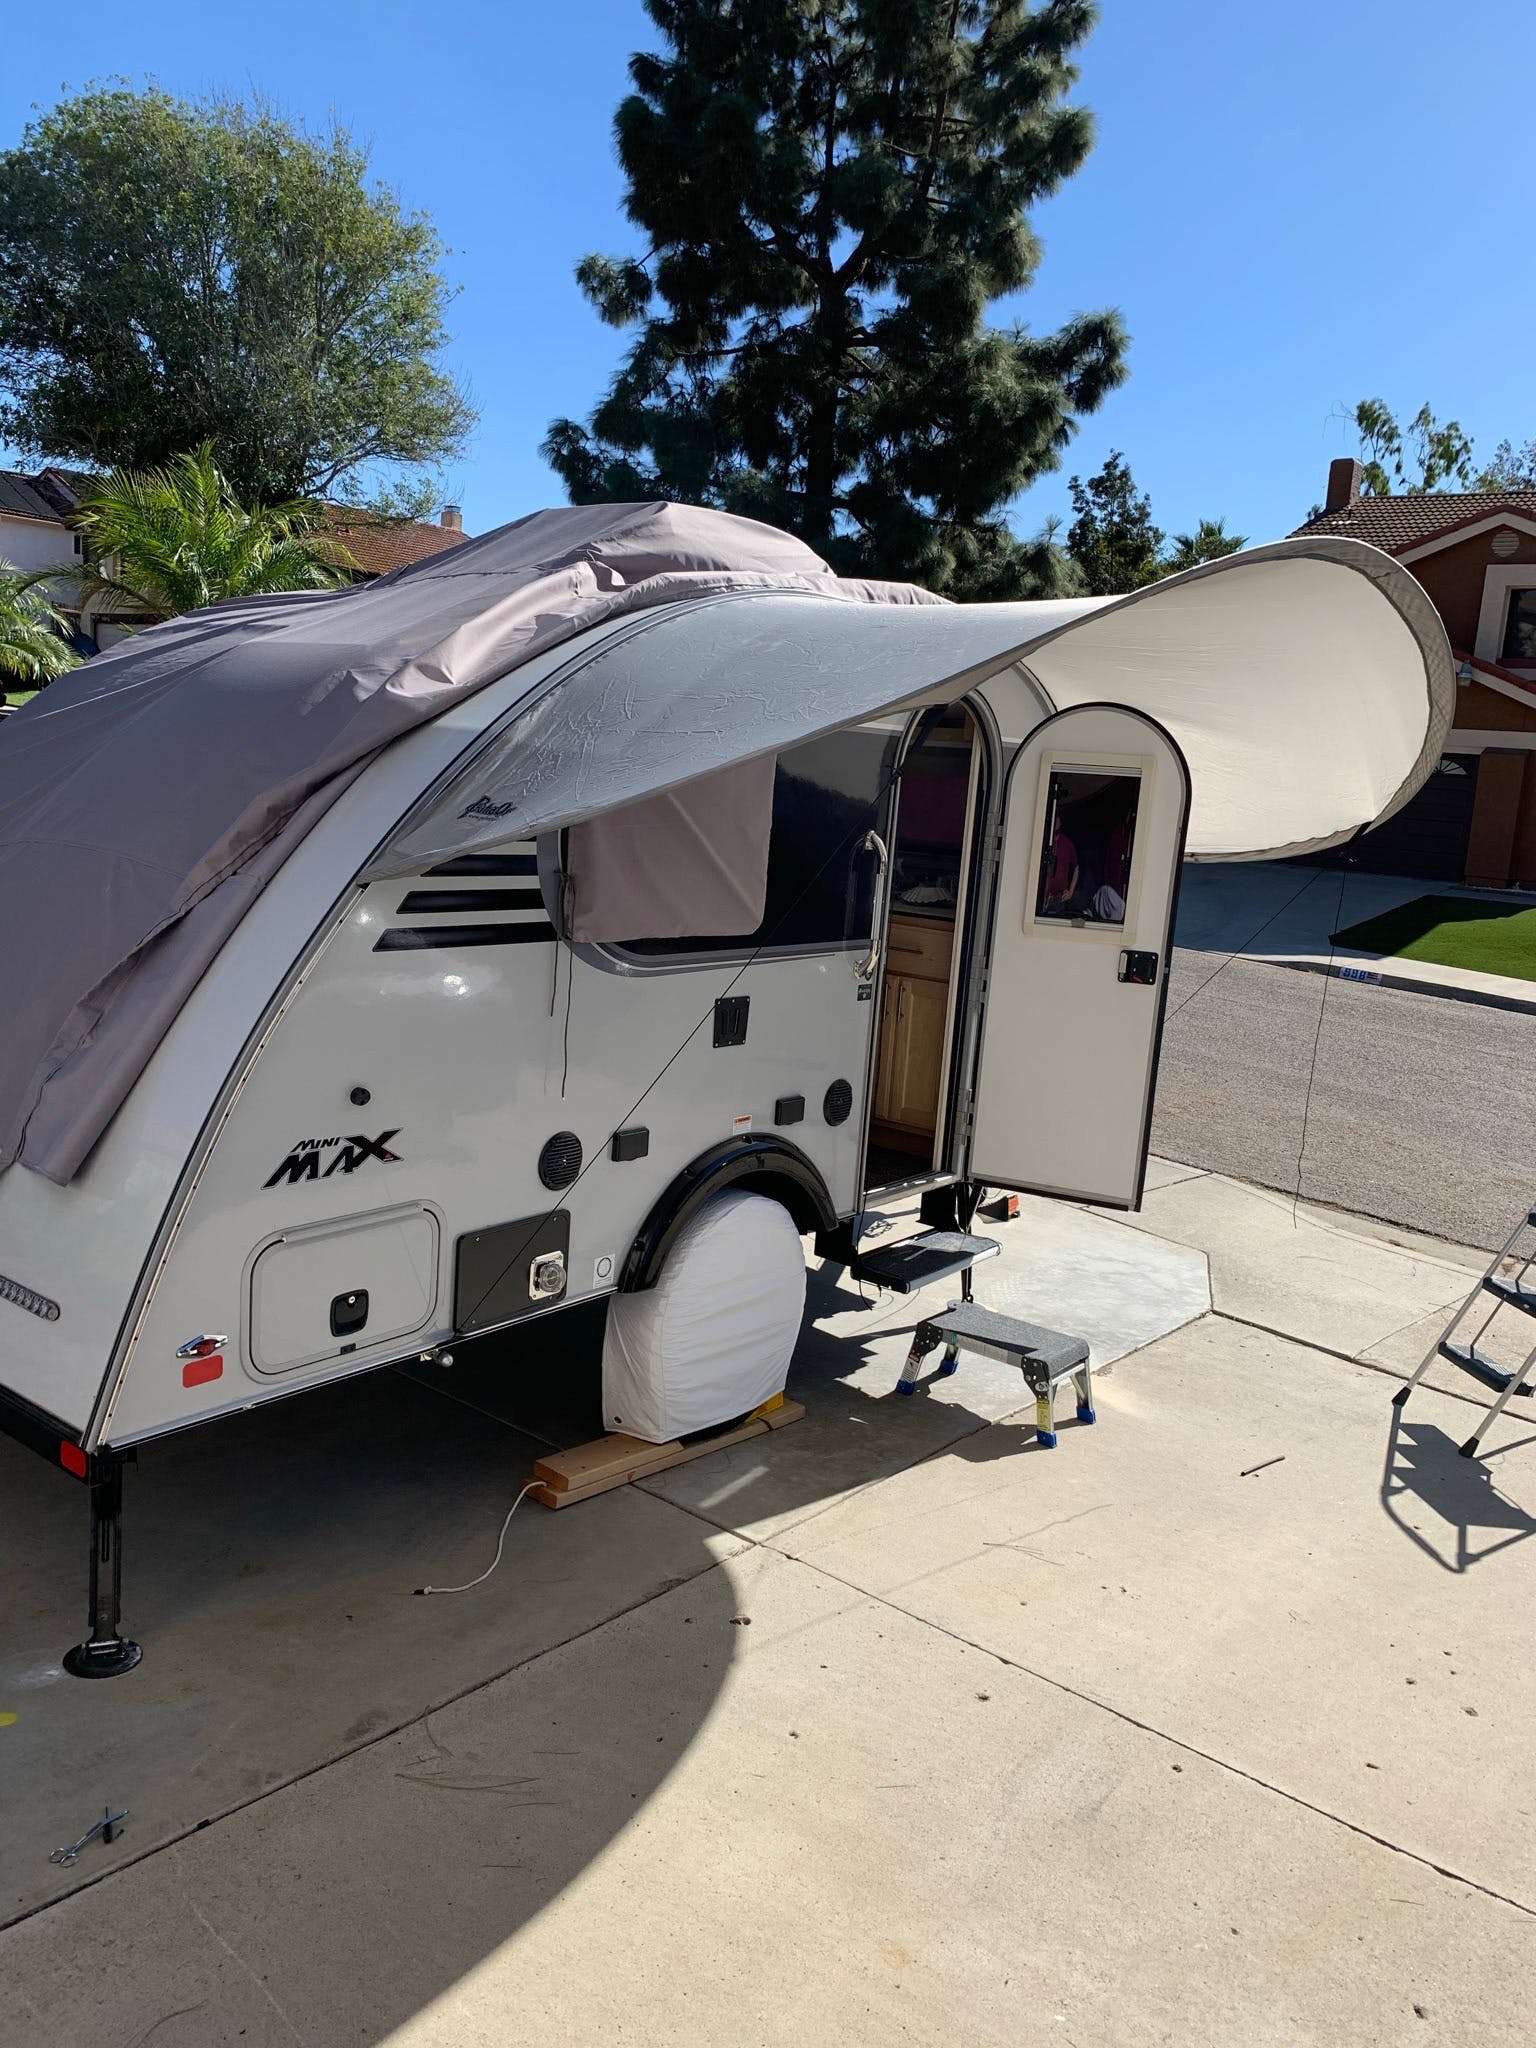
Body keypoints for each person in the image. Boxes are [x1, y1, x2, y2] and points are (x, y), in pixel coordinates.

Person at [1041, 818, 1078, 914]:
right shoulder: (1042, 841)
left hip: (1059, 899)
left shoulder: (1067, 844)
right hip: (1041, 898)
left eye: (1057, 819)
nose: (1055, 821)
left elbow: (1076, 867)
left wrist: (1071, 892)